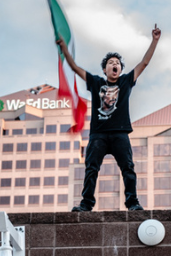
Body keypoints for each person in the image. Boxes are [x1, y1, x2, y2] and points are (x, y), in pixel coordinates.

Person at [56, 25, 161, 212]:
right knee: (91, 169)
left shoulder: (126, 81)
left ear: (120, 69)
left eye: (118, 63)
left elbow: (144, 63)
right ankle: (86, 203)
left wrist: (154, 41)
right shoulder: (96, 82)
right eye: (111, 63)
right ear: (105, 69)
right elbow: (74, 67)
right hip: (99, 135)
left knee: (128, 168)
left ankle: (132, 203)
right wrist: (64, 49)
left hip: (120, 134)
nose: (115, 65)